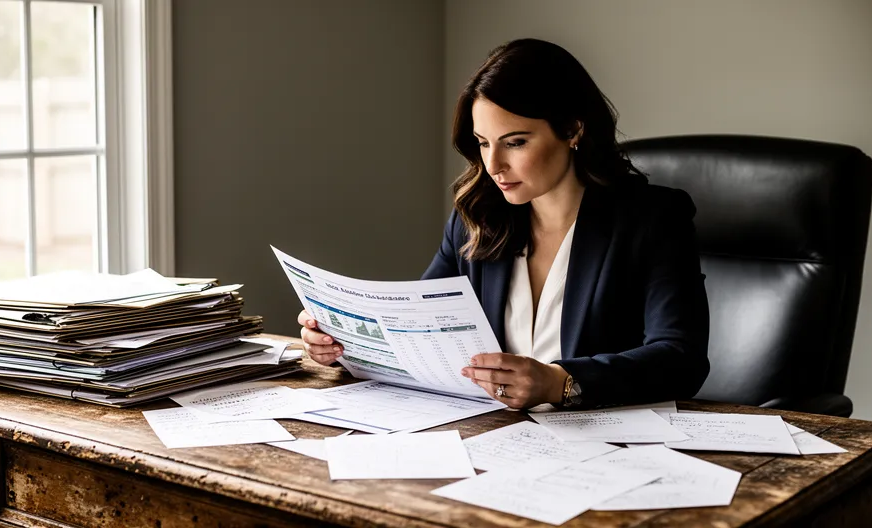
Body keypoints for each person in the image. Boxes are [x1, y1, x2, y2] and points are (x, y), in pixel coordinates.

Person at [297, 38, 710, 409]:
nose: (493, 166)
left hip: (608, 448)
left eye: (515, 142)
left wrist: (561, 382)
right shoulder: (477, 217)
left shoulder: (652, 218)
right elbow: (418, 334)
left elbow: (681, 358)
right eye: (482, 143)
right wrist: (343, 345)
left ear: (572, 130)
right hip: (496, 440)